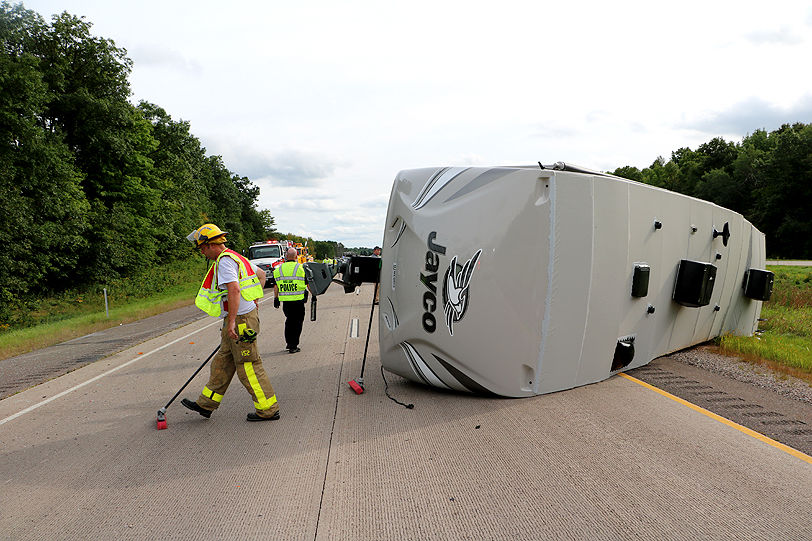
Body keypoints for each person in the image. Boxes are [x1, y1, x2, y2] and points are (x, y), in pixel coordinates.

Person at [181, 223, 280, 422]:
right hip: (241, 317)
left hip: (240, 321)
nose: (202, 252)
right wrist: (254, 301)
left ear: (210, 245)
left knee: (248, 365)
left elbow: (234, 289)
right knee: (223, 361)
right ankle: (206, 404)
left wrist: (233, 320)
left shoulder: (225, 261)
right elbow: (261, 276)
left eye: (201, 248)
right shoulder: (236, 256)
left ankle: (268, 409)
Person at [273, 247, 314, 353]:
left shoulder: (278, 270)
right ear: (296, 257)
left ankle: (289, 343)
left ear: (286, 257)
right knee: (297, 323)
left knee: (289, 322)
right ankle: (293, 345)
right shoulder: (301, 268)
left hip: (286, 302)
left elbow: (276, 285)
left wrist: (276, 298)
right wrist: (314, 294)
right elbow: (308, 284)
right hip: (298, 301)